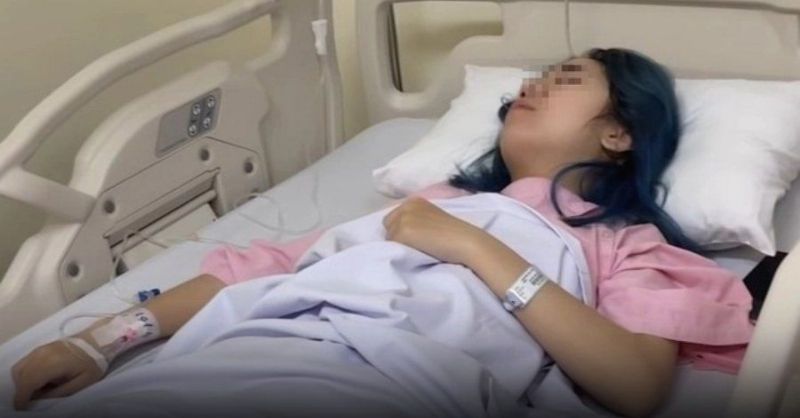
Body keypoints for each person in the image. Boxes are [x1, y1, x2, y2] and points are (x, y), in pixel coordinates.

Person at [9, 48, 754, 418]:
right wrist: (99, 343)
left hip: (388, 382)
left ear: (620, 131)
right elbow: (261, 269)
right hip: (253, 345)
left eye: (564, 79)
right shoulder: (432, 202)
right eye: (533, 79)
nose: (530, 86)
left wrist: (473, 247)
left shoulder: (623, 244)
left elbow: (634, 384)